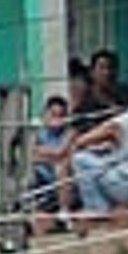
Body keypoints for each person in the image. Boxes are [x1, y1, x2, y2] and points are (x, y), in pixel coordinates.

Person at [71, 95, 128, 214]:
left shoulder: (122, 121)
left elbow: (81, 141)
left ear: (115, 106)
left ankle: (97, 209)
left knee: (80, 159)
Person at [24, 92, 81, 220]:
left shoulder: (71, 132)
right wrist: (53, 155)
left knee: (61, 167)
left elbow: (61, 152)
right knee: (31, 170)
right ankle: (31, 211)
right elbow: (34, 155)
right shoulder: (41, 133)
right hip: (45, 171)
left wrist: (47, 153)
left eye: (61, 116)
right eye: (53, 115)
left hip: (66, 174)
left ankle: (64, 209)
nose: (57, 119)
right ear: (47, 114)